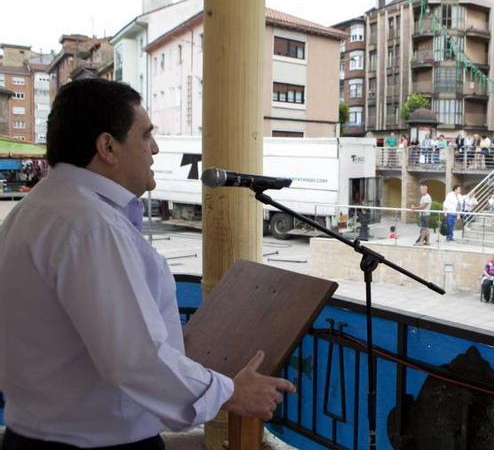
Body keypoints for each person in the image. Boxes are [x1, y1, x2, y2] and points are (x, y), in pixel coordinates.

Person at [0, 79, 293, 447]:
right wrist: (231, 392)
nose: (154, 148)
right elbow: (135, 359)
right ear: (108, 146)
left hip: (32, 435)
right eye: (146, 135)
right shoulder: (92, 227)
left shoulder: (34, 210)